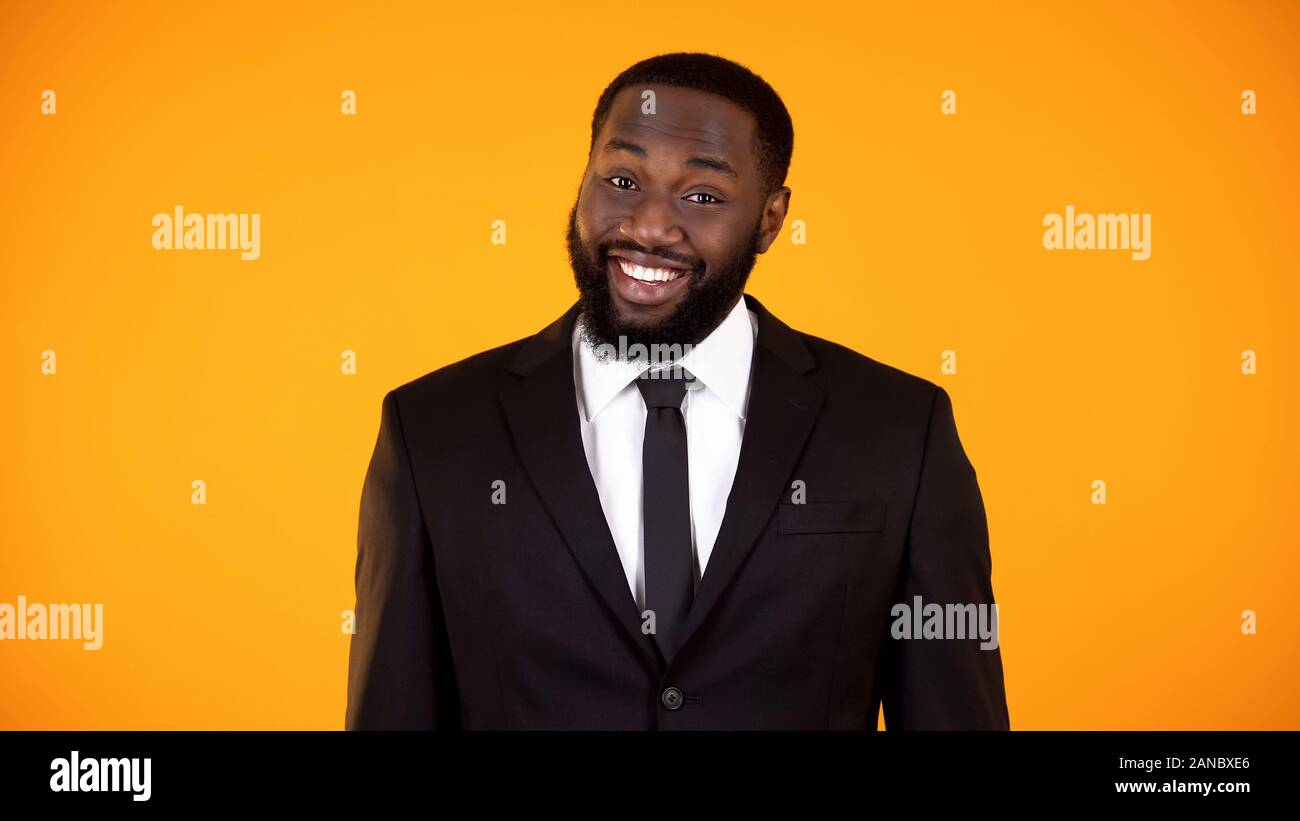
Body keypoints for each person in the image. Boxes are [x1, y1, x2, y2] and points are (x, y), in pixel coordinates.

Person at [346, 52, 1009, 730]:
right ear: (582, 182)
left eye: (702, 197)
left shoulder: (901, 428)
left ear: (771, 218)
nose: (649, 226)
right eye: (623, 178)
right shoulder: (431, 429)